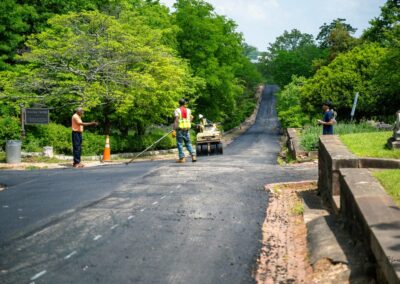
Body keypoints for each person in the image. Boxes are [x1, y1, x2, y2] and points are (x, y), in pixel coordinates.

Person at [173, 99, 196, 163]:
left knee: (180, 144)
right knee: (188, 143)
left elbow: (176, 120)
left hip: (180, 130)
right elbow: (192, 117)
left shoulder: (177, 110)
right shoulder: (188, 110)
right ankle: (193, 155)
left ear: (179, 103)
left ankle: (182, 158)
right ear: (185, 103)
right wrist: (189, 123)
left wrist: (174, 129)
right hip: (186, 130)